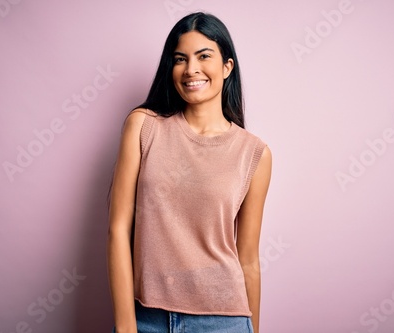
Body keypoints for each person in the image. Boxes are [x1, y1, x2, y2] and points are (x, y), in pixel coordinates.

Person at [107, 12, 272, 333]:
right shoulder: (143, 126)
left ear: (227, 67)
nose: (191, 69)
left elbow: (249, 259)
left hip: (224, 321)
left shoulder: (255, 153)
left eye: (204, 56)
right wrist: (126, 325)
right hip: (146, 318)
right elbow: (117, 231)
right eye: (180, 59)